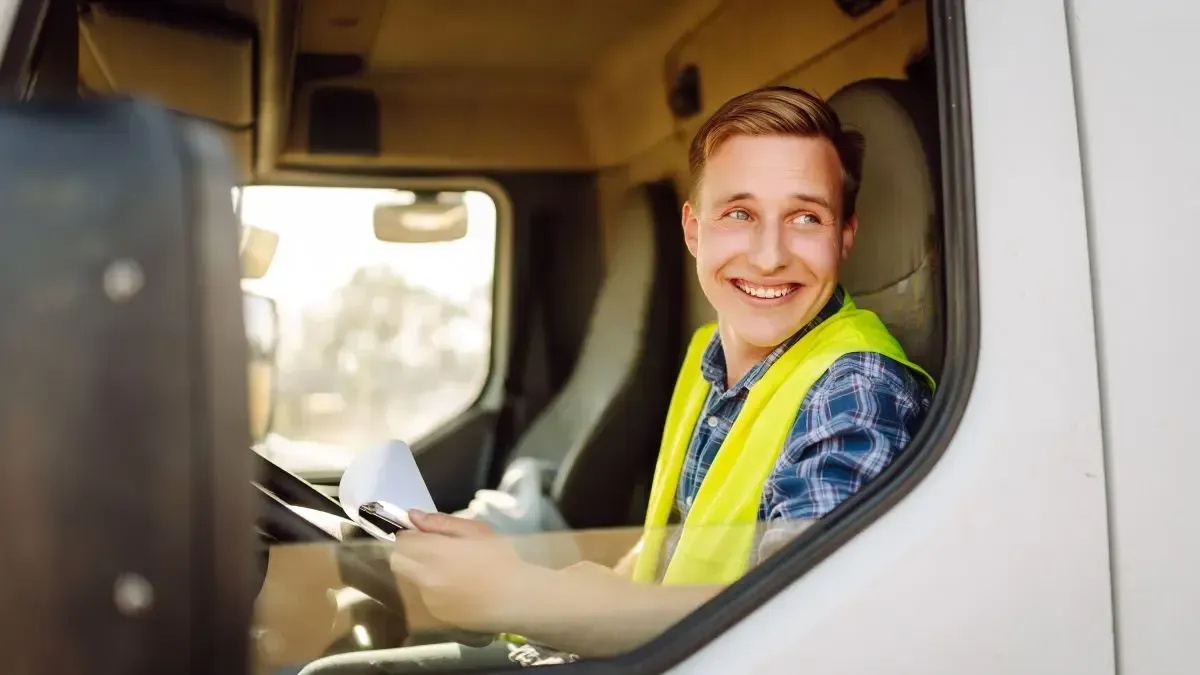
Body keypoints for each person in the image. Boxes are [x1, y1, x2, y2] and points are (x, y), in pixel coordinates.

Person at [299, 85, 935, 673]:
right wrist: (500, 574)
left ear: (845, 236)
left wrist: (519, 597)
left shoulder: (855, 388)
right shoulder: (710, 355)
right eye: (739, 214)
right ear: (694, 230)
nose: (769, 254)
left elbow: (801, 617)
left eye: (806, 218)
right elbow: (660, 562)